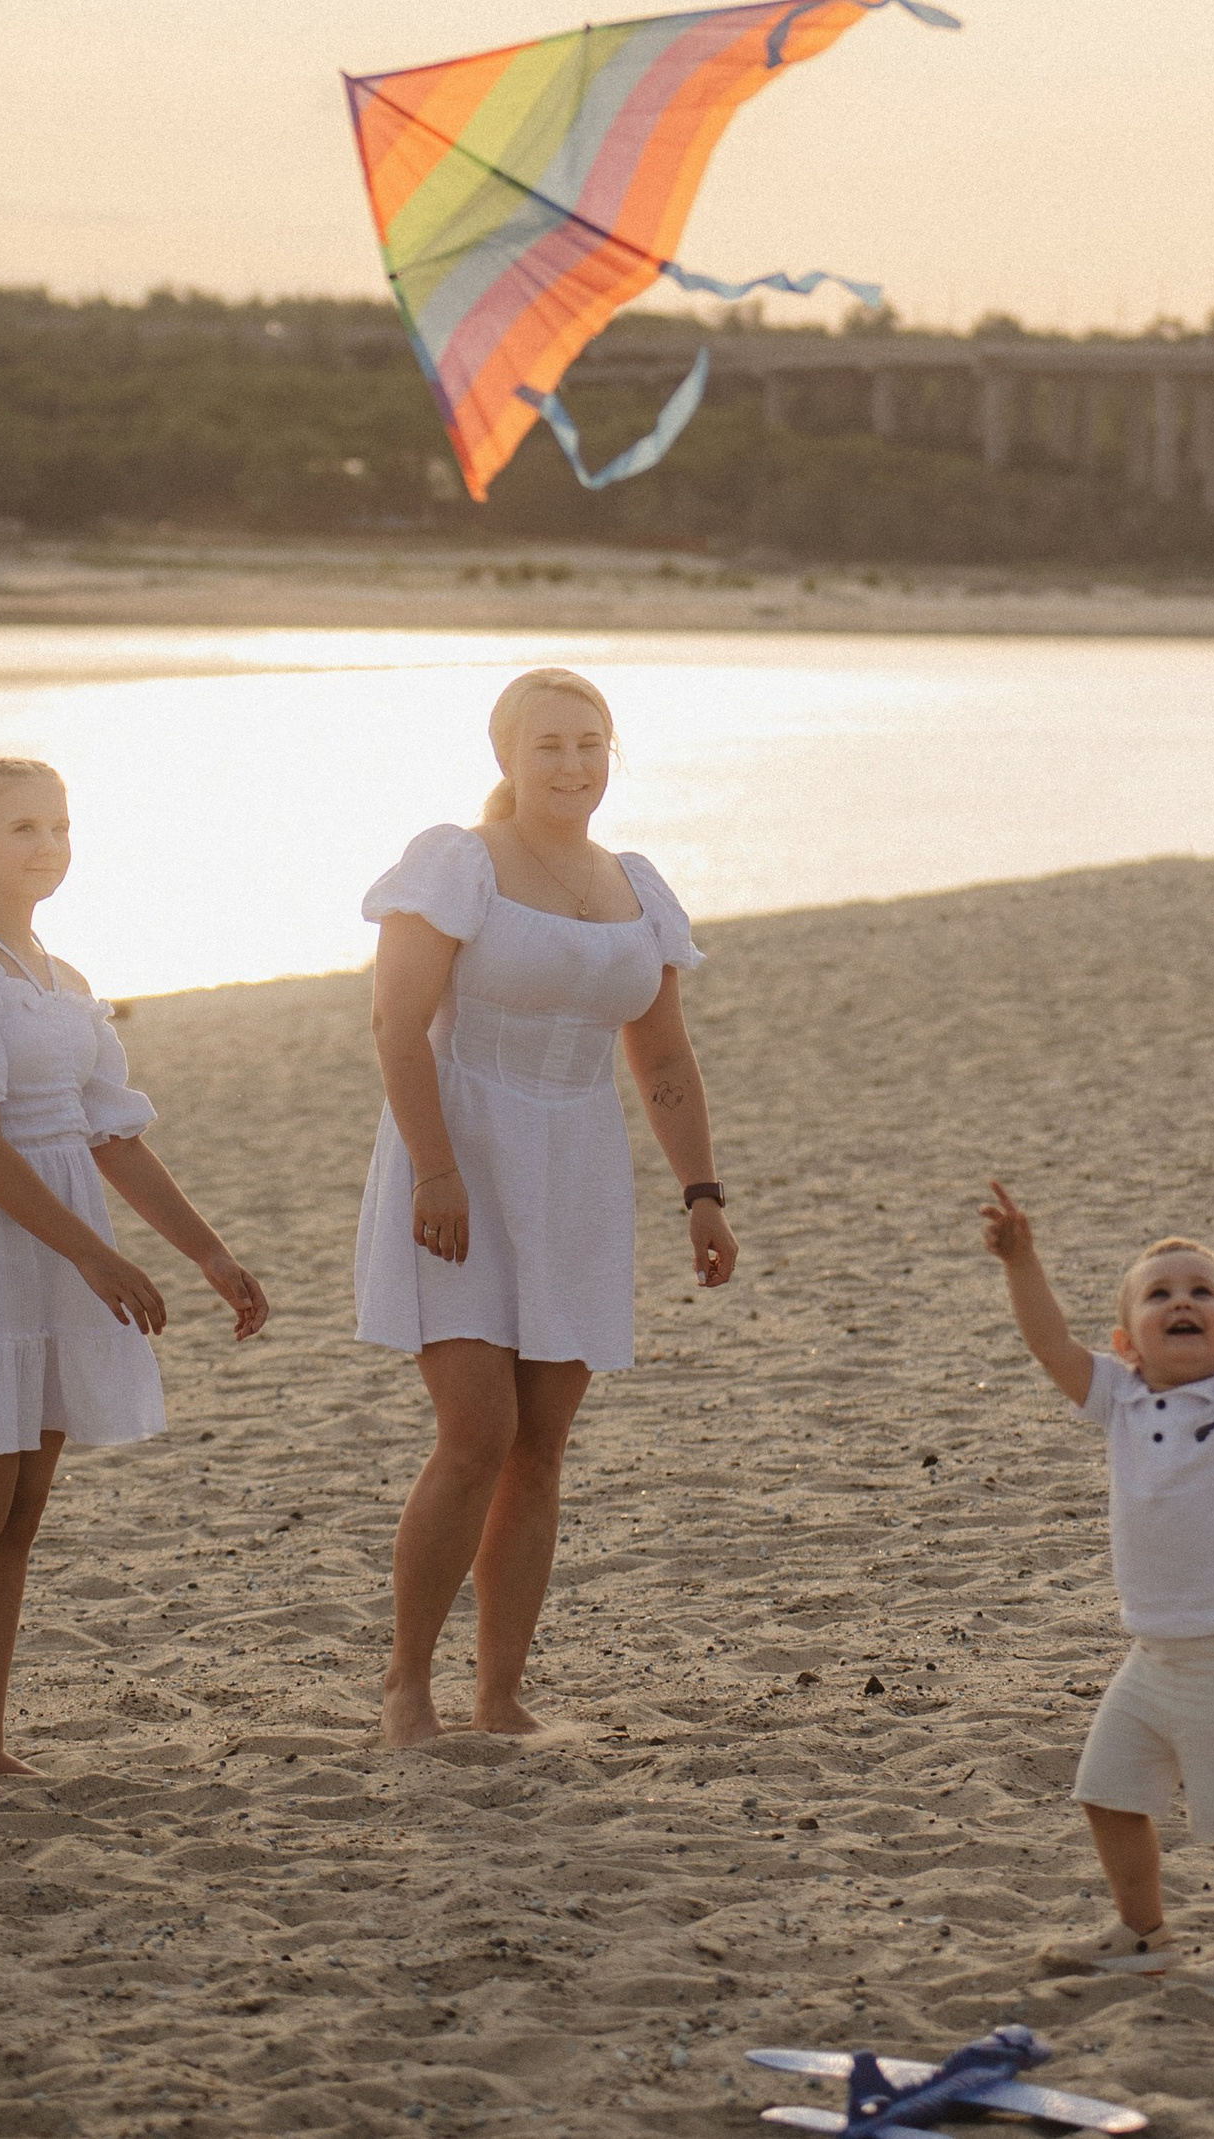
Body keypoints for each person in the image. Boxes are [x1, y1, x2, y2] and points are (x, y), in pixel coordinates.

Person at [0, 757, 269, 1807]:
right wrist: (93, 1252)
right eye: (23, 828)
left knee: (22, 1508)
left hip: (65, 1243)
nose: (47, 846)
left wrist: (206, 1252)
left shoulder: (62, 981)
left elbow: (112, 1137)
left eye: (60, 827)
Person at [354, 667, 737, 1745]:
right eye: (549, 747)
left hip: (576, 1164)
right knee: (476, 1432)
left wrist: (699, 1193)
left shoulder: (637, 884)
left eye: (589, 744)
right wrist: (435, 1167)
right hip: (461, 1152)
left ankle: (501, 1693)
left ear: (611, 754)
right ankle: (408, 1683)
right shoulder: (457, 862)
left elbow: (661, 1054)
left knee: (542, 1446)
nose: (571, 766)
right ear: (506, 759)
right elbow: (395, 1024)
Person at [980, 1181, 1214, 2006]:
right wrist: (1022, 1257)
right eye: (1160, 1294)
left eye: (1202, 1293)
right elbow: (1049, 1343)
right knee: (1106, 1792)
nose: (1183, 1302)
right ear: (1128, 1341)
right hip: (1153, 1653)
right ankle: (1143, 1935)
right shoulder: (1118, 1398)